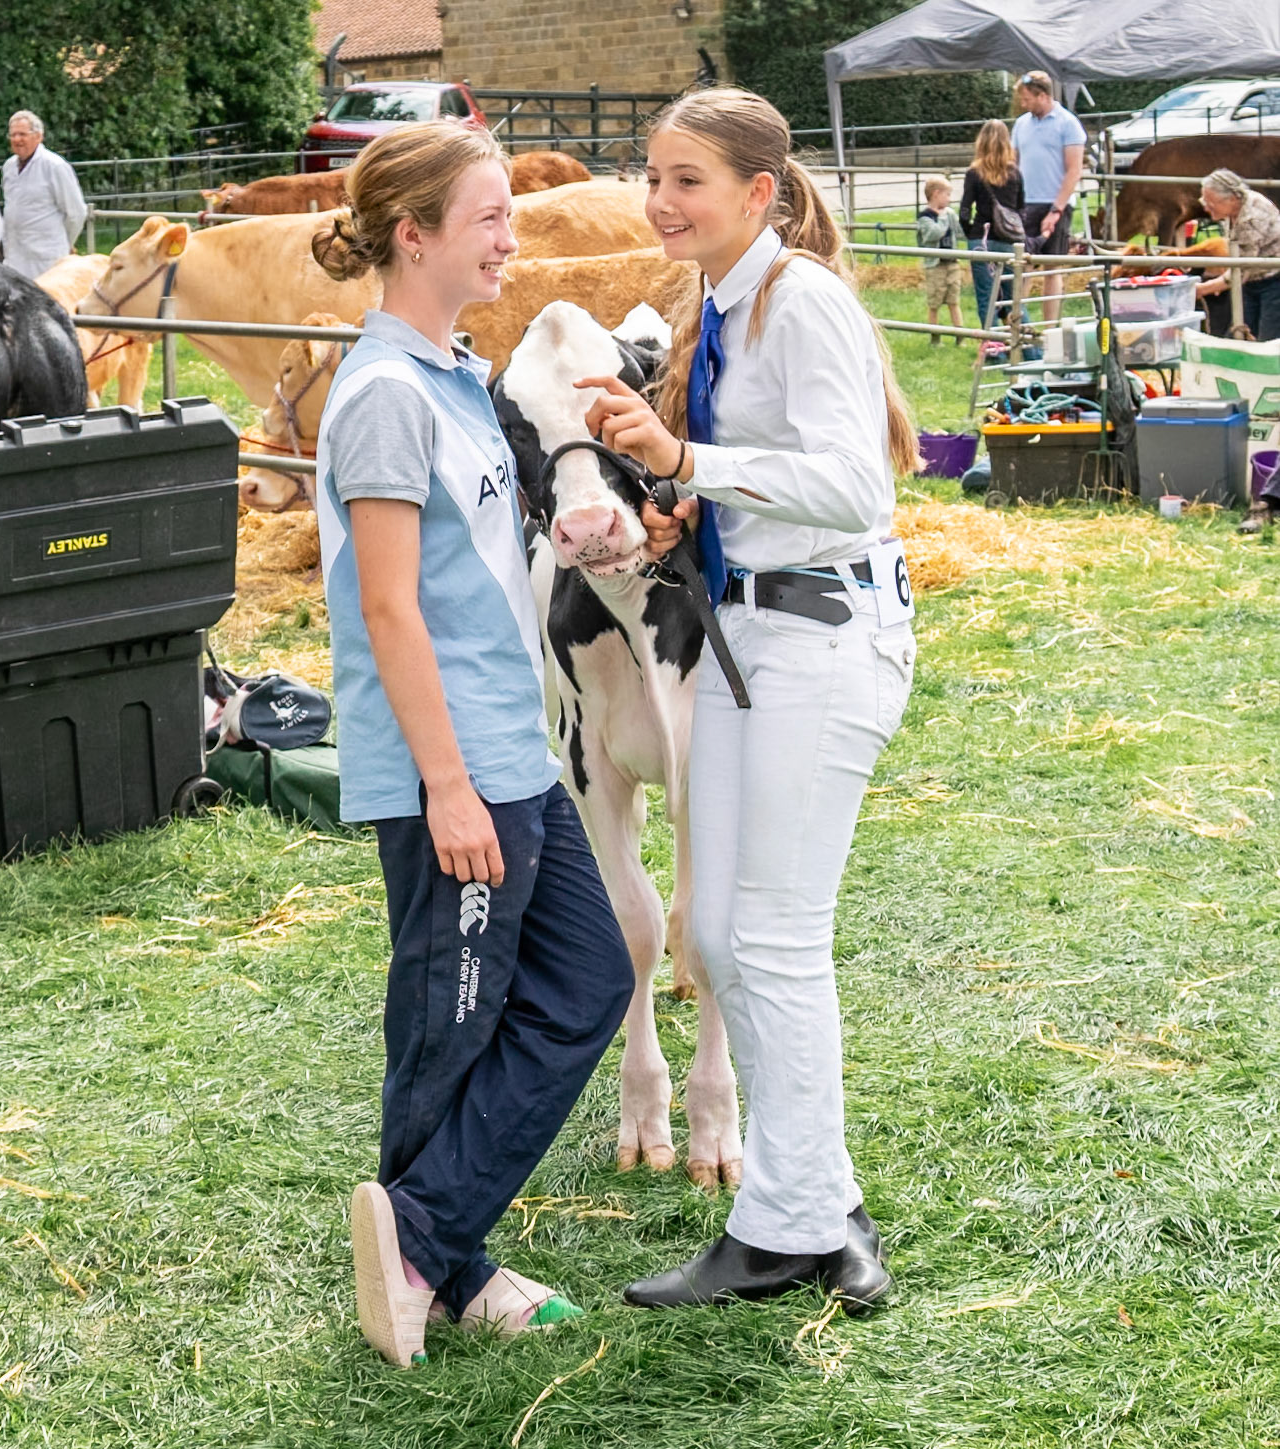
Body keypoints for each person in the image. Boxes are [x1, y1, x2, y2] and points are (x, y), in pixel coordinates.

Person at [578, 86, 918, 1315]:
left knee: (769, 936)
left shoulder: (804, 301)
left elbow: (849, 484)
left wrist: (683, 463)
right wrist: (683, 514)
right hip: (741, 632)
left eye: (688, 181)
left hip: (822, 638)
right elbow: (766, 487)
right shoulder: (715, 306)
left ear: (759, 194)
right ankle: (814, 1206)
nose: (661, 202)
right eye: (653, 176)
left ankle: (788, 1225)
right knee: (719, 935)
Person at [311, 122, 634, 1367]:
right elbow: (388, 605)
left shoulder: (455, 373)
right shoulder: (388, 396)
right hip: (454, 769)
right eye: (491, 219)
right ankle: (434, 1259)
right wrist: (445, 787)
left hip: (514, 756)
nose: (514, 238)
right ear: (416, 234)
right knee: (452, 1022)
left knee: (588, 982)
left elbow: (483, 568)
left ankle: (431, 1243)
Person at [1011, 71, 1085, 323]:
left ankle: (1050, 327)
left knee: (1052, 266)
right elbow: (1014, 163)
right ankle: (1017, 325)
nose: (1023, 104)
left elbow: (1074, 170)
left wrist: (1056, 209)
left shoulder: (1068, 123)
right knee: (1023, 264)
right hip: (1026, 204)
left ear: (1042, 95)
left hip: (1056, 203)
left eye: (1027, 98)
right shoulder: (1022, 124)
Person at [1194, 168, 1280, 344]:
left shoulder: (1252, 218)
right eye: (1205, 200)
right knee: (1239, 335)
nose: (1205, 206)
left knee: (1268, 341)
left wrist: (1205, 288)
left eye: (1211, 202)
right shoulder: (1235, 208)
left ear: (1232, 198)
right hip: (1252, 281)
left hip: (1273, 281)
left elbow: (1242, 268)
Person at [1, 111, 87, 280]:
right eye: (13, 135)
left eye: (23, 134)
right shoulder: (9, 167)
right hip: (15, 257)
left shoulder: (55, 166)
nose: (17, 139)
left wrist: (65, 243)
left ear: (38, 136)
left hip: (47, 258)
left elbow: (76, 213)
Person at [960, 120, 1027, 332]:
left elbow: (964, 210)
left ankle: (994, 347)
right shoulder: (1014, 173)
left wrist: (971, 234)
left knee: (986, 297)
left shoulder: (974, 173)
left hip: (982, 239)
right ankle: (1028, 348)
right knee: (1013, 298)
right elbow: (1020, 207)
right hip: (1009, 241)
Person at [917, 175, 964, 345]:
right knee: (934, 301)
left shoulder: (950, 214)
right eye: (947, 195)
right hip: (935, 265)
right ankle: (935, 336)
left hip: (951, 263)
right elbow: (933, 234)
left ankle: (960, 335)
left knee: (954, 300)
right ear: (936, 194)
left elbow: (959, 231)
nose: (949, 199)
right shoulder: (925, 217)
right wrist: (944, 218)